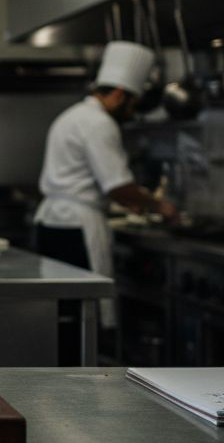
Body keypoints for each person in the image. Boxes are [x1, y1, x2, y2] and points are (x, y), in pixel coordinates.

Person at [34, 41, 178, 281]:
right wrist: (159, 206)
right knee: (83, 298)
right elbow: (118, 187)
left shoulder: (71, 116)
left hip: (51, 221)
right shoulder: (100, 123)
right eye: (132, 103)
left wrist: (134, 200)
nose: (132, 112)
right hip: (77, 227)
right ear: (119, 94)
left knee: (61, 298)